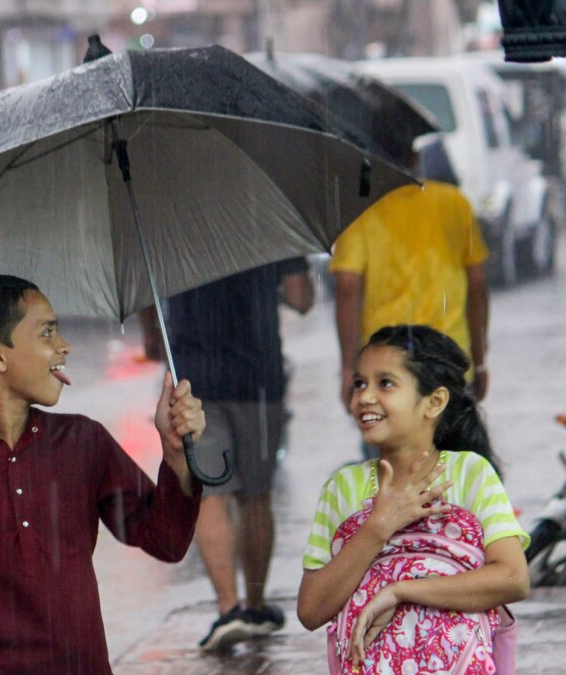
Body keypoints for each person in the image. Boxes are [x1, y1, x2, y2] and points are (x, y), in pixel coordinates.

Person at [0, 275, 205, 674]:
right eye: (47, 333)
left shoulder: (84, 442)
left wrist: (177, 454)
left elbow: (166, 540)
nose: (64, 346)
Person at [296, 325, 529, 672]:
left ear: (433, 402)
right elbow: (312, 610)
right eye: (359, 383)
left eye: (385, 383)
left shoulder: (469, 475)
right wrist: (380, 525)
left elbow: (513, 579)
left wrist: (402, 591)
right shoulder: (342, 488)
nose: (364, 397)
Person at [164, 259, 315, 650]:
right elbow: (301, 298)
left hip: (193, 375)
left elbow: (147, 296)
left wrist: (154, 335)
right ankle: (256, 605)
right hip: (257, 375)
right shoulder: (264, 210)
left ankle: (228, 609)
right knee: (256, 495)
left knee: (210, 493)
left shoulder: (168, 215)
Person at [330, 148, 490, 461]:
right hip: (448, 361)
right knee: (454, 468)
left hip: (384, 368)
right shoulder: (453, 202)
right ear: (415, 157)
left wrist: (350, 369)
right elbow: (478, 285)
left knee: (388, 471)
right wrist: (480, 359)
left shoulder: (361, 210)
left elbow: (347, 290)